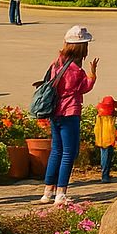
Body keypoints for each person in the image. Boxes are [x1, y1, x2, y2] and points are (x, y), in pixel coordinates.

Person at [40, 26, 98, 205]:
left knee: (56, 150)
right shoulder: (76, 70)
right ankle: (61, 193)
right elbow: (83, 88)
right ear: (81, 48)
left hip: (55, 111)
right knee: (68, 152)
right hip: (70, 112)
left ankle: (47, 192)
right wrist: (92, 75)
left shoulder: (56, 63)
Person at [94, 95, 117, 183]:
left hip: (101, 137)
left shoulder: (100, 115)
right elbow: (110, 128)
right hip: (108, 138)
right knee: (106, 157)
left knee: (105, 156)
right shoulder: (109, 116)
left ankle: (105, 174)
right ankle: (105, 176)